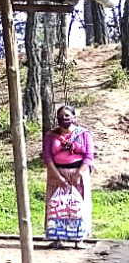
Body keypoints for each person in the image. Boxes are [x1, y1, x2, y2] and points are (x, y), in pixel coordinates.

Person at [42, 104, 94, 249]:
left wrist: (79, 173)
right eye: (60, 116)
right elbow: (47, 157)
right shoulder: (51, 136)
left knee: (77, 207)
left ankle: (79, 239)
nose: (63, 119)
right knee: (56, 206)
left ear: (73, 117)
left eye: (67, 116)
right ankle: (57, 238)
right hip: (56, 175)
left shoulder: (84, 134)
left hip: (78, 175)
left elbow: (89, 156)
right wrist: (58, 177)